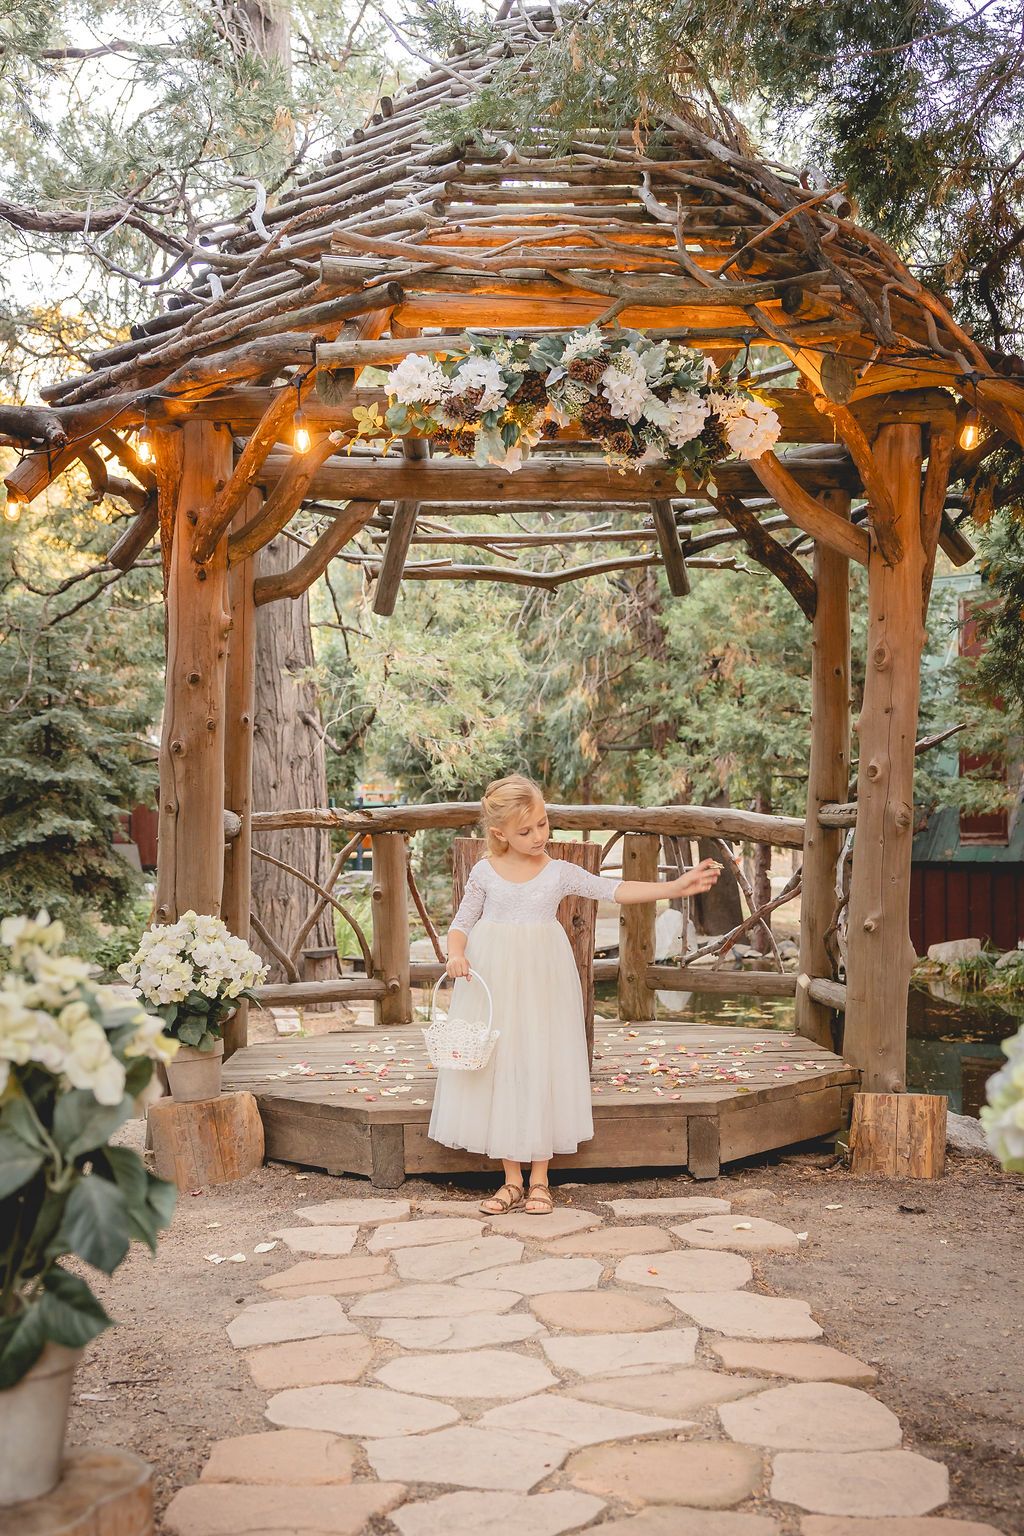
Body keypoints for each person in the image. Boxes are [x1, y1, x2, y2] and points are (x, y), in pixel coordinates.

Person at [428, 774, 722, 1216]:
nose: (538, 836)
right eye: (525, 831)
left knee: (540, 1061)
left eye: (543, 825)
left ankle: (541, 1179)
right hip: (494, 975)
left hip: (544, 977)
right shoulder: (485, 872)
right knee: (503, 1065)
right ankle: (510, 1180)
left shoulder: (558, 872)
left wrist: (674, 888)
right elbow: (462, 921)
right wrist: (455, 954)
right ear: (499, 834)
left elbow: (614, 890)